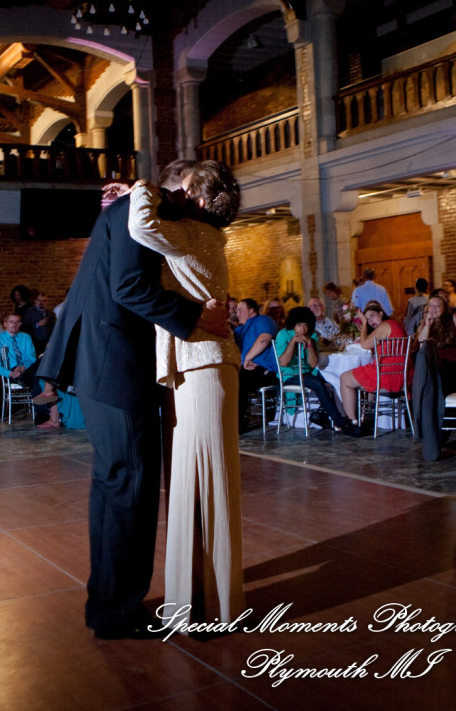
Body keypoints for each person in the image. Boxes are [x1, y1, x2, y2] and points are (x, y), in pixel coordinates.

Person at [37, 161, 228, 641]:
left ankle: (107, 603)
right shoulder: (140, 208)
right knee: (132, 487)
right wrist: (197, 317)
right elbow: (129, 288)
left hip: (105, 360)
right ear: (190, 192)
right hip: (115, 361)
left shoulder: (134, 206)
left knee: (116, 484)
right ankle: (118, 611)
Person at [127, 159, 245, 627]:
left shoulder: (196, 235)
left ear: (197, 197)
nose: (170, 193)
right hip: (193, 369)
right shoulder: (199, 235)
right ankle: (188, 600)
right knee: (188, 487)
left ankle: (219, 606)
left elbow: (140, 225)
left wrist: (141, 185)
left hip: (206, 369)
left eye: (180, 187)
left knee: (210, 486)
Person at [275, 306, 358, 435]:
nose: (302, 329)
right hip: (289, 374)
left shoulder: (312, 336)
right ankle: (340, 423)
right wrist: (292, 342)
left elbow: (313, 364)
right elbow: (284, 363)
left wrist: (309, 343)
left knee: (335, 378)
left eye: (305, 325)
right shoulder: (283, 334)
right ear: (293, 324)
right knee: (317, 384)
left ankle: (335, 415)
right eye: (299, 325)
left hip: (308, 372)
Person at [412, 294, 456, 460]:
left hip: (449, 368)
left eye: (438, 306)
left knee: (422, 373)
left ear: (445, 308)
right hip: (432, 370)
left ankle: (419, 420)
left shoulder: (454, 319)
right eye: (431, 306)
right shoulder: (423, 325)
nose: (434, 309)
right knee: (423, 361)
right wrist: (427, 325)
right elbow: (422, 344)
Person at [339, 301, 407, 426]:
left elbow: (364, 345)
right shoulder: (396, 324)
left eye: (372, 315)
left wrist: (364, 324)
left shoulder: (385, 326)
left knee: (344, 378)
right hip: (401, 375)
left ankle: (352, 421)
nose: (370, 320)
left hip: (385, 375)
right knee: (363, 370)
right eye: (367, 318)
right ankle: (368, 413)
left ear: (381, 313)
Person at [234, 298, 278, 431]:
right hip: (245, 369)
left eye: (241, 310)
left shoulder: (262, 320)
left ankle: (238, 425)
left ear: (251, 311)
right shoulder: (240, 330)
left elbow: (264, 338)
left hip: (264, 370)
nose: (237, 314)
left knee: (240, 380)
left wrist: (247, 358)